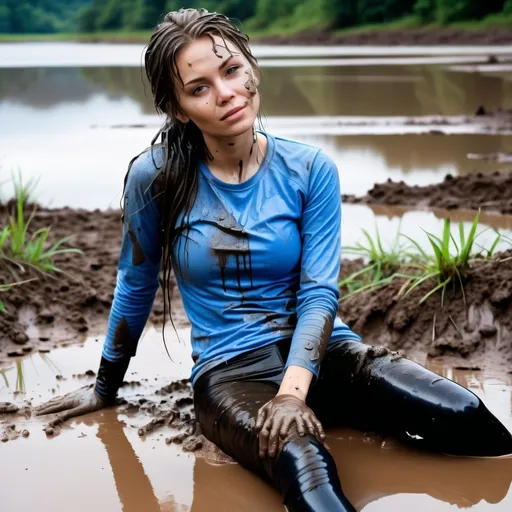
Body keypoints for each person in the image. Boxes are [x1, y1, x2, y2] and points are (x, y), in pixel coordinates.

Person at [35, 8, 512, 512]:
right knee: (308, 472)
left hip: (328, 357)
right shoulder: (155, 179)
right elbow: (136, 284)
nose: (225, 93)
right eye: (198, 88)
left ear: (253, 68)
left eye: (232, 70)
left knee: (464, 412)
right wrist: (105, 386)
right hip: (231, 374)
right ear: (178, 108)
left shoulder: (310, 169)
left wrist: (291, 394)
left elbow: (319, 292)